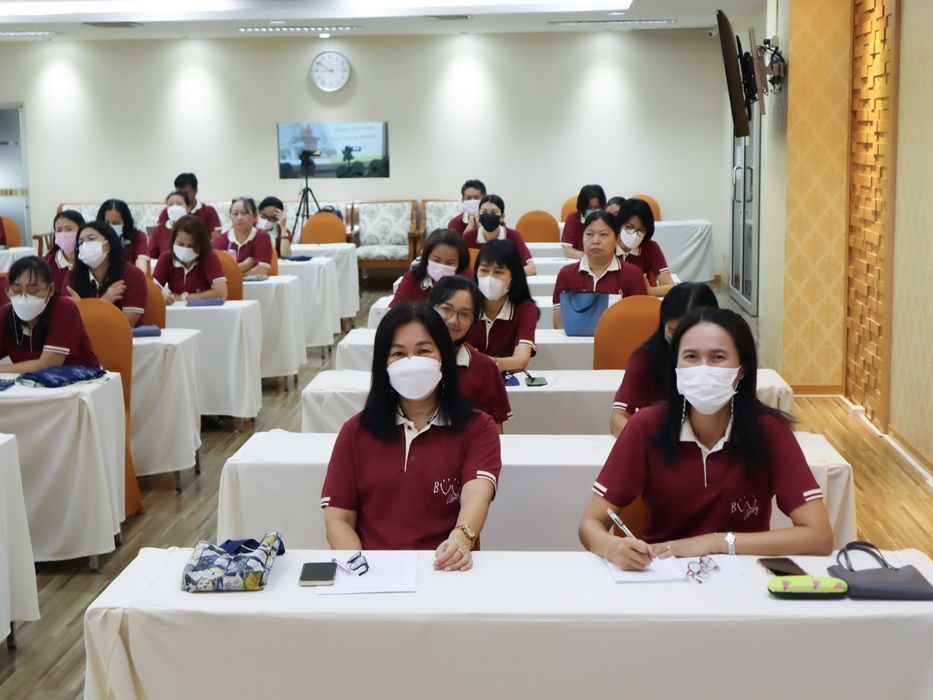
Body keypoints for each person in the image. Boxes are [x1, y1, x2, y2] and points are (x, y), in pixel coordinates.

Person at [579, 307, 833, 571]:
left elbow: (819, 537)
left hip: (745, 576)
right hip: (660, 573)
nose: (703, 369)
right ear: (676, 366)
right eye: (691, 357)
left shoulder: (769, 430)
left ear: (742, 369)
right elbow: (590, 524)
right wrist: (612, 547)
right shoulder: (646, 425)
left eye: (717, 357)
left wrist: (716, 542)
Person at [321, 302, 502, 570]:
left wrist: (461, 538)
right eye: (398, 353)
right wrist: (362, 571)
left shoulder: (478, 427)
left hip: (445, 569)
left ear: (443, 356)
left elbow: (477, 495)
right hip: (374, 572)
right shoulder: (355, 431)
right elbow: (338, 520)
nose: (412, 362)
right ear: (383, 363)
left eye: (423, 351)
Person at [610, 282, 719, 436]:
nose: (679, 341)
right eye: (672, 331)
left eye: (688, 333)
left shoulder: (725, 362)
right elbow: (618, 417)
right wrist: (646, 443)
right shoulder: (646, 358)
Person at [428, 276, 511, 433]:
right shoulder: (408, 358)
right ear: (431, 308)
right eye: (446, 309)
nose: (453, 320)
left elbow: (494, 429)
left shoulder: (484, 367)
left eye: (464, 314)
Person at [551, 211, 648, 330]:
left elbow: (640, 321)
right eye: (589, 234)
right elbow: (559, 323)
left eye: (603, 234)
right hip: (575, 340)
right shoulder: (566, 274)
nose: (595, 240)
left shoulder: (633, 274)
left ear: (617, 240)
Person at [0, 256, 99, 372]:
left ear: (50, 289)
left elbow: (47, 365)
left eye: (33, 291)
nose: (23, 297)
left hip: (83, 379)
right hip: (28, 381)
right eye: (17, 291)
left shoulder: (65, 309)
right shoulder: (5, 314)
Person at [464, 239, 538, 373]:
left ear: (513, 278)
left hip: (504, 381)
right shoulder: (464, 305)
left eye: (498, 272)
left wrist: (481, 361)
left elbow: (520, 361)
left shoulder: (526, 309)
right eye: (484, 270)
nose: (489, 278)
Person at [64, 221, 148, 327]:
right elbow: (67, 321)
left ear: (108, 245)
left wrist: (83, 309)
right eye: (80, 242)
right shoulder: (72, 276)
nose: (85, 245)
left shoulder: (132, 275)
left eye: (91, 239)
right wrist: (104, 301)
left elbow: (127, 323)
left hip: (123, 336)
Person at [152, 215, 228, 303]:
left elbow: (221, 293)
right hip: (176, 310)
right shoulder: (166, 258)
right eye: (180, 244)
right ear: (173, 241)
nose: (185, 249)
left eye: (191, 246)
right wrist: (164, 298)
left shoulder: (209, 257)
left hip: (205, 309)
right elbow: (152, 291)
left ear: (201, 245)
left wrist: (183, 297)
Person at [390, 229, 471, 308]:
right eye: (437, 260)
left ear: (460, 263)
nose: (442, 266)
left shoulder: (467, 280)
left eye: (450, 262)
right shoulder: (412, 278)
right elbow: (394, 311)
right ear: (427, 257)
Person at [462, 194, 536, 276]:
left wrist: (504, 275)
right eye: (484, 212)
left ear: (502, 216)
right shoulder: (468, 237)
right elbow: (459, 268)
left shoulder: (513, 236)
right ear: (479, 215)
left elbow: (531, 269)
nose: (489, 215)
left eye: (493, 212)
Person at [616, 197, 675, 297]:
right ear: (620, 225)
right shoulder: (608, 244)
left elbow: (670, 286)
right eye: (630, 227)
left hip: (638, 302)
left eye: (641, 230)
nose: (634, 234)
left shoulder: (650, 247)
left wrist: (648, 291)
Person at [212, 197, 273, 276]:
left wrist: (234, 274)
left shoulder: (262, 237)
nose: (239, 218)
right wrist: (246, 265)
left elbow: (261, 271)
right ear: (230, 216)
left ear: (255, 217)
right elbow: (218, 273)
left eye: (245, 213)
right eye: (235, 213)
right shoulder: (220, 240)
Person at [153, 172, 222, 239]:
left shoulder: (209, 211)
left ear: (195, 191)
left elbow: (216, 239)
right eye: (180, 192)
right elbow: (157, 234)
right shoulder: (169, 211)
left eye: (187, 192)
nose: (183, 195)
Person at [96, 198, 149, 272]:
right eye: (107, 223)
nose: (110, 227)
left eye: (116, 223)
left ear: (125, 223)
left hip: (130, 277)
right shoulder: (95, 238)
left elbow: (141, 270)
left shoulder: (138, 236)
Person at [43, 210, 85, 291]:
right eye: (59, 230)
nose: (63, 234)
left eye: (69, 229)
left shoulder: (90, 261)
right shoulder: (46, 262)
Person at [561, 184, 606, 260]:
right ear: (582, 207)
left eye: (596, 207)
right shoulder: (573, 218)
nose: (593, 210)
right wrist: (585, 256)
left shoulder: (607, 219)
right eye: (589, 208)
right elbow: (567, 250)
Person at [148, 190, 191, 261]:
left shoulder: (196, 228)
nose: (174, 207)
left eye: (179, 204)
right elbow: (151, 255)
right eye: (170, 205)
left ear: (188, 208)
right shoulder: (159, 229)